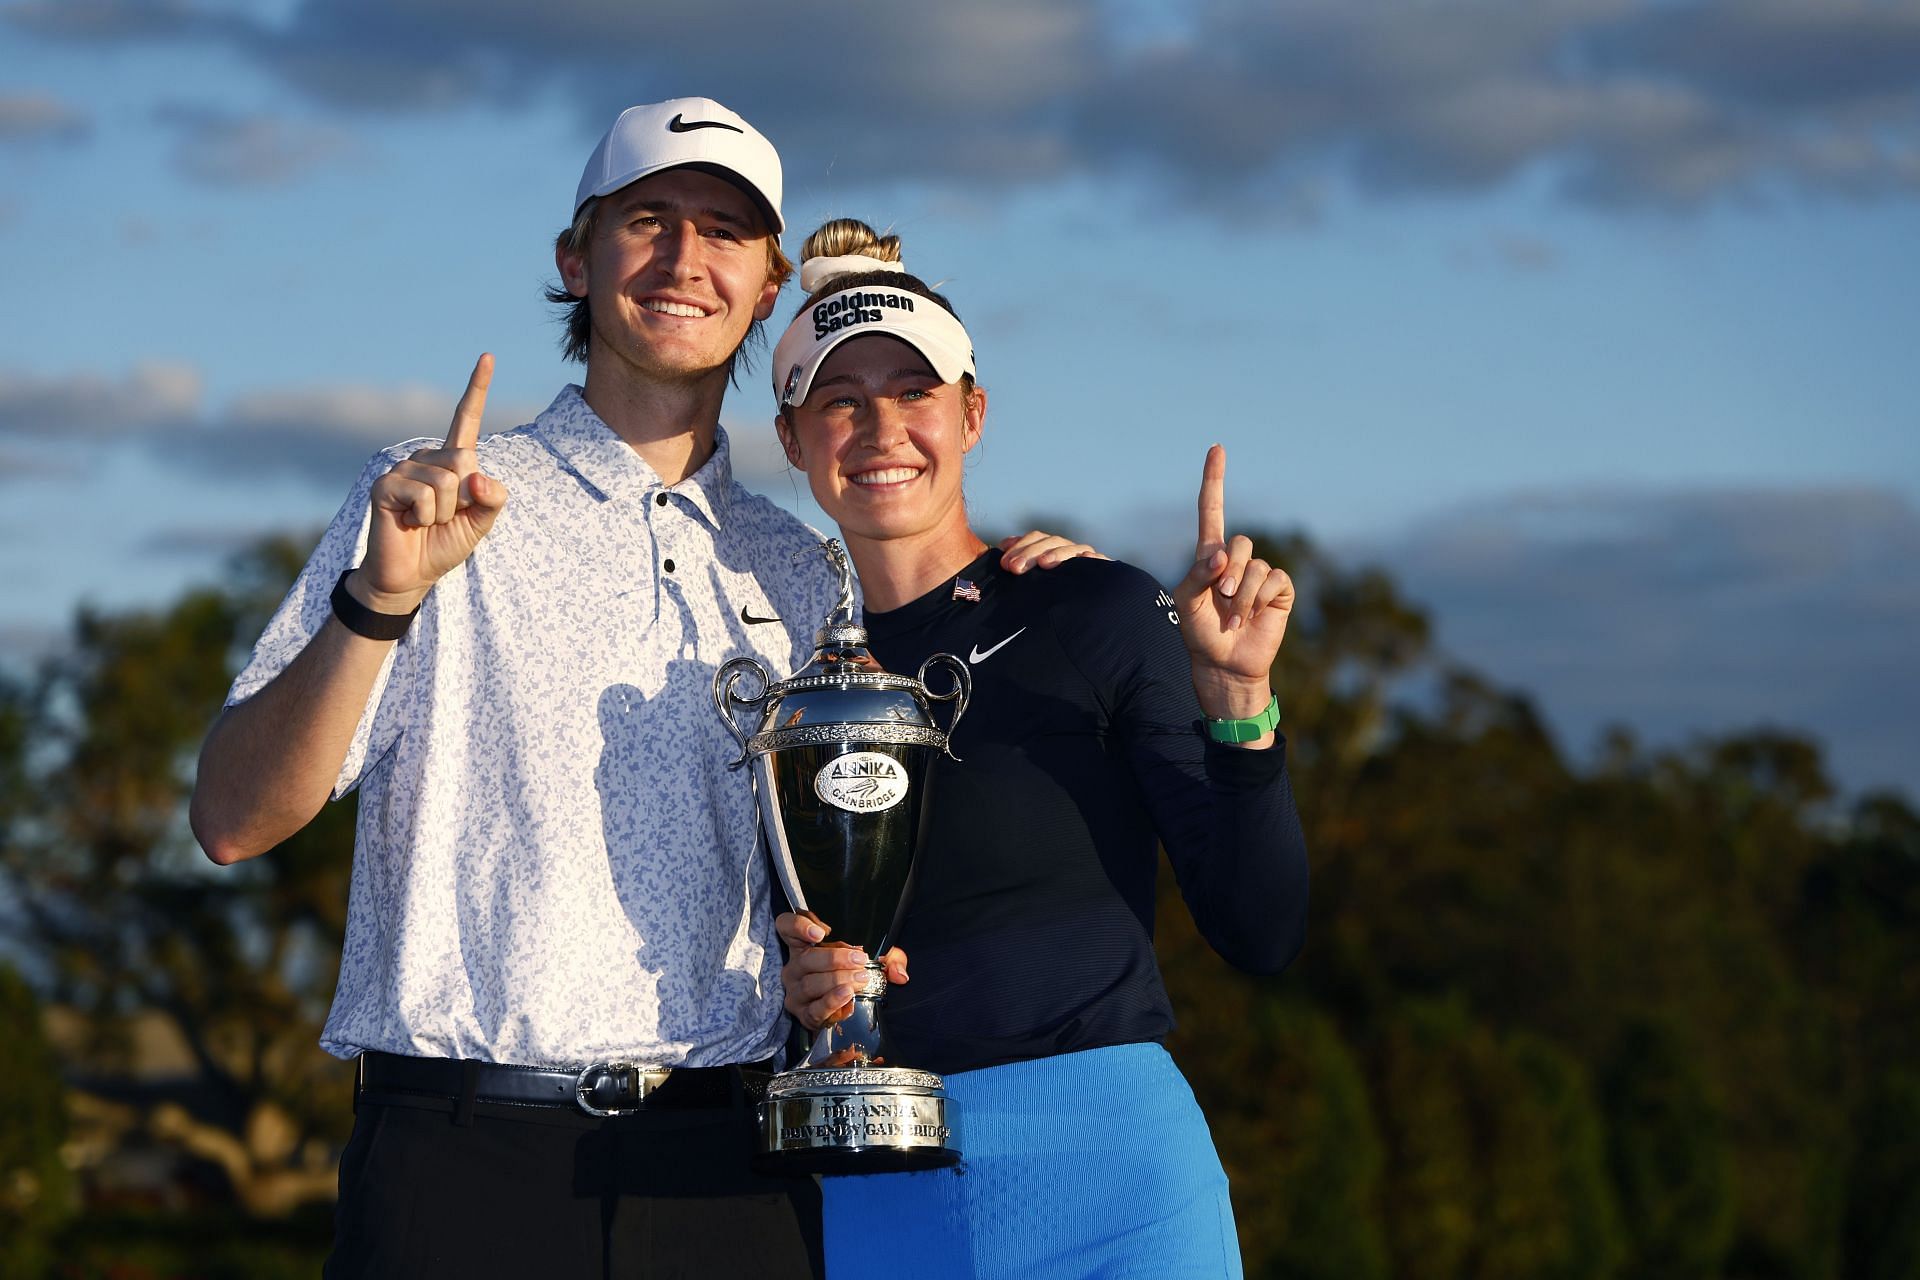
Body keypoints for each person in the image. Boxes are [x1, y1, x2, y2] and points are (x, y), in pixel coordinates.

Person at [188, 103, 1088, 1278]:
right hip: (463, 1165)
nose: (684, 260)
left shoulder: (807, 567)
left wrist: (1045, 593)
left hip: (734, 1172)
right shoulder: (431, 499)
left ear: (768, 287)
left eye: (724, 231)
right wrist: (379, 599)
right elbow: (230, 818)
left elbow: (846, 867)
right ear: (576, 257)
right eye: (648, 220)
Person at [769, 221, 1310, 1279]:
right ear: (793, 439)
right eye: (841, 399)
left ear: (972, 413)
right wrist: (794, 989)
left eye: (914, 391)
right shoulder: (776, 675)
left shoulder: (1092, 607)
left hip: (1112, 1177)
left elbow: (1262, 928)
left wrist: (1241, 700)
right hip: (879, 1193)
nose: (882, 427)